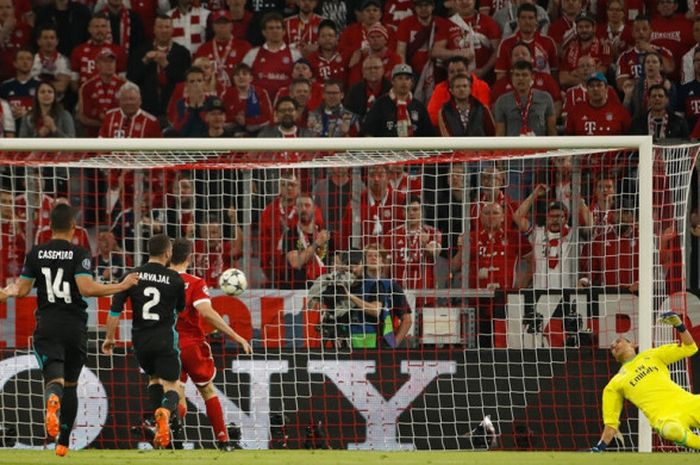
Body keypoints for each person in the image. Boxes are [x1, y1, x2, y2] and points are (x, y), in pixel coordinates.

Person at [12, 204, 138, 457]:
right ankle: (63, 442)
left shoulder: (35, 253)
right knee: (70, 384)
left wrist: (5, 293)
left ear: (50, 228)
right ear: (73, 227)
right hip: (74, 328)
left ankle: (51, 401)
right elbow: (87, 288)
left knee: (54, 380)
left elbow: (22, 290)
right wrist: (121, 285)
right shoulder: (79, 253)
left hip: (47, 325)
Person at [102, 234, 186, 449]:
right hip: (165, 338)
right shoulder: (176, 279)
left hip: (140, 341)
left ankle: (160, 432)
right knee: (172, 386)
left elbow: (114, 311)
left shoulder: (133, 275)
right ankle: (165, 413)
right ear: (168, 253)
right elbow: (179, 309)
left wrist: (109, 338)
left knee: (153, 379)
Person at [169, 238, 251, 451]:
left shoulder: (161, 281)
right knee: (207, 391)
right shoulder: (195, 283)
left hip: (167, 346)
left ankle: (168, 435)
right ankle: (223, 441)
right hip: (192, 346)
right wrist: (236, 336)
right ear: (189, 258)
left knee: (176, 392)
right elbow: (206, 312)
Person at [592, 312, 700, 451]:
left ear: (631, 344)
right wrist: (600, 447)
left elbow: (690, 348)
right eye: (612, 348)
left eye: (618, 341)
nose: (614, 346)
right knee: (672, 431)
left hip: (688, 402)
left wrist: (679, 326)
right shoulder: (614, 384)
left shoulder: (652, 355)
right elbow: (611, 423)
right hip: (665, 418)